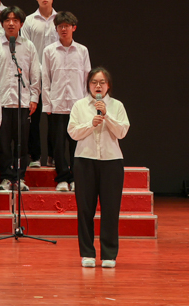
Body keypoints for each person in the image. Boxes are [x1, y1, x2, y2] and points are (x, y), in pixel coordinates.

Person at [69, 67, 130, 268]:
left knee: (111, 209)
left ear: (108, 85)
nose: (98, 86)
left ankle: (109, 255)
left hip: (111, 162)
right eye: (94, 82)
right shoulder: (79, 106)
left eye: (102, 82)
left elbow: (122, 132)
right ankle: (87, 253)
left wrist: (107, 116)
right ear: (88, 85)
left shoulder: (117, 106)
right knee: (85, 209)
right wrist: (91, 123)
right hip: (84, 161)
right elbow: (73, 132)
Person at [0, 6, 40, 192]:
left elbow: (35, 74)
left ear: (21, 24)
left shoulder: (29, 46)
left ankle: (20, 177)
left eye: (15, 20)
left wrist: (34, 97)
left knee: (22, 144)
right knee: (2, 145)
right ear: (2, 23)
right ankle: (5, 177)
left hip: (22, 103)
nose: (11, 23)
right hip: (1, 103)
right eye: (7, 20)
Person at [42, 11, 90, 192]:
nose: (64, 29)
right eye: (60, 26)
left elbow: (87, 78)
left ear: (73, 28)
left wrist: (87, 104)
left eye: (67, 26)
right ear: (56, 29)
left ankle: (76, 178)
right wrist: (47, 104)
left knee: (77, 144)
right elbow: (45, 78)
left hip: (78, 105)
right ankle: (62, 178)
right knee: (58, 145)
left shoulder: (82, 50)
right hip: (57, 104)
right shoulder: (49, 51)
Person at [22, 0, 59, 168]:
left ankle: (53, 156)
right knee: (33, 118)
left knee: (54, 119)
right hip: (35, 75)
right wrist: (34, 72)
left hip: (56, 77)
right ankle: (34, 156)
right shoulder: (29, 21)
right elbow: (26, 49)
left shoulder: (60, 20)